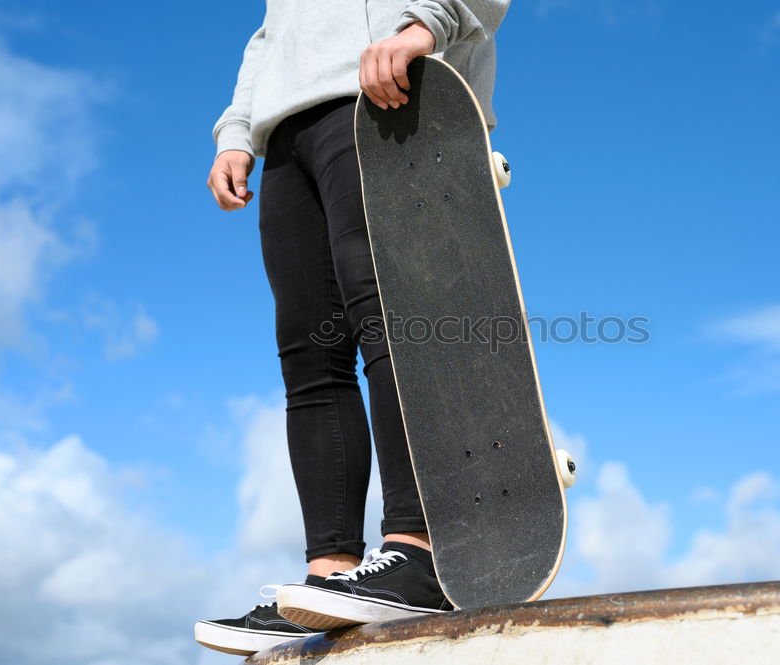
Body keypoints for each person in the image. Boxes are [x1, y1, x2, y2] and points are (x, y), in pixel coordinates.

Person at [194, 0, 509, 656]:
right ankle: (330, 577)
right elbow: (271, 33)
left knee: (388, 322)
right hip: (285, 132)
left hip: (382, 95)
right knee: (310, 355)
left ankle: (417, 550)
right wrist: (237, 131)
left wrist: (429, 27)